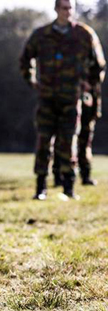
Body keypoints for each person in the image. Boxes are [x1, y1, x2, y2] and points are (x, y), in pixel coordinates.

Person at [20, 0, 106, 200]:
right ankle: (40, 187)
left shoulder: (84, 34)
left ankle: (69, 187)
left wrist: (89, 85)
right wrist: (32, 81)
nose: (68, 12)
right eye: (64, 8)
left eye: (71, 8)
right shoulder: (41, 35)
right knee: (44, 142)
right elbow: (25, 59)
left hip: (71, 99)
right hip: (47, 98)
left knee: (69, 142)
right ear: (56, 9)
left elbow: (99, 65)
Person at [52, 83, 103, 186]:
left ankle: (85, 175)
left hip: (88, 104)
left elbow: (96, 84)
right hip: (70, 101)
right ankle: (59, 175)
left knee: (85, 141)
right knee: (63, 140)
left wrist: (96, 108)